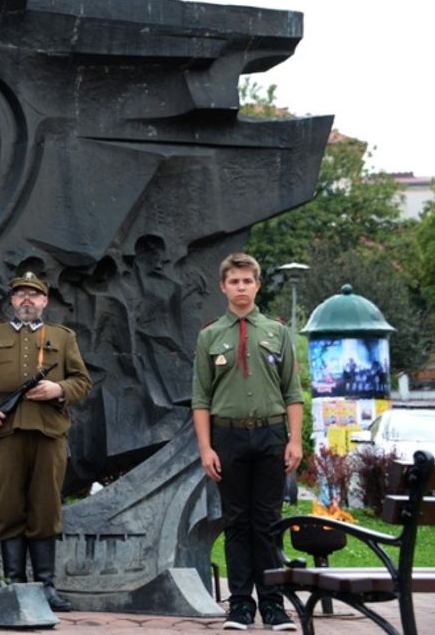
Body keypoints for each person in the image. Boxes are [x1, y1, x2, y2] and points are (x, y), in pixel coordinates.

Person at [0, 271, 92, 612]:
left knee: (45, 505)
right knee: (8, 506)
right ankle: (15, 583)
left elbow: (82, 381)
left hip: (49, 431)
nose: (26, 300)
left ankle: (46, 585)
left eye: (33, 295)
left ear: (45, 301)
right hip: (7, 433)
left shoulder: (63, 338)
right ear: (12, 300)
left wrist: (59, 388)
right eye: (20, 294)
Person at [191, 253, 302, 631]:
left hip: (271, 434)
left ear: (257, 285)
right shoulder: (210, 335)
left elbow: (293, 392)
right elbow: (201, 399)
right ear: (223, 287)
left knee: (268, 522)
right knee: (237, 522)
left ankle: (273, 605)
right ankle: (240, 606)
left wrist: (295, 441)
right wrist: (206, 448)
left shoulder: (277, 331)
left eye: (247, 281)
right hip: (228, 437)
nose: (241, 287)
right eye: (234, 282)